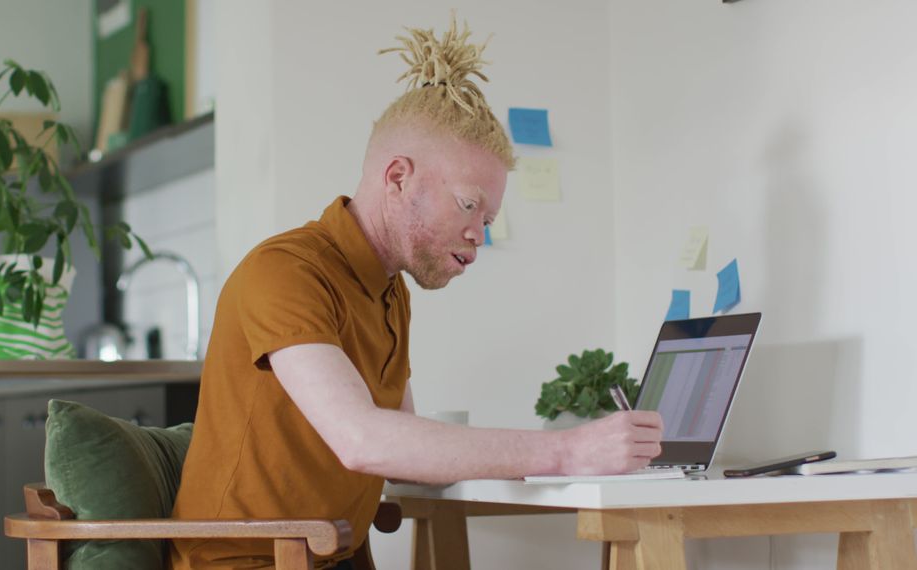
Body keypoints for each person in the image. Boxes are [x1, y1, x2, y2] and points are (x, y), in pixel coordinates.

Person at [170, 17, 663, 570]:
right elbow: (363, 440)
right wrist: (569, 450)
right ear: (398, 177)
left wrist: (569, 453)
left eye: (489, 217)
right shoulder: (285, 272)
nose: (480, 232)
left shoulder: (388, 291)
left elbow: (402, 451)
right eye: (469, 204)